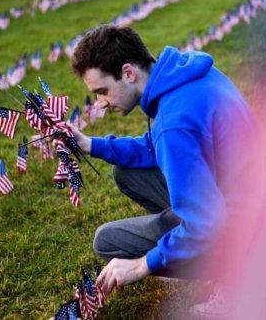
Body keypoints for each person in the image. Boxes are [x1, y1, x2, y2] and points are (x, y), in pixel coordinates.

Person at [70, 25, 256, 311]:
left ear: (129, 73)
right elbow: (154, 146)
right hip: (262, 198)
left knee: (107, 240)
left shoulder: (172, 125)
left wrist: (145, 263)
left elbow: (207, 221)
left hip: (246, 231)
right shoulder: (186, 74)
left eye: (102, 91)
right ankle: (186, 248)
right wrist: (90, 145)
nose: (101, 104)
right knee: (126, 173)